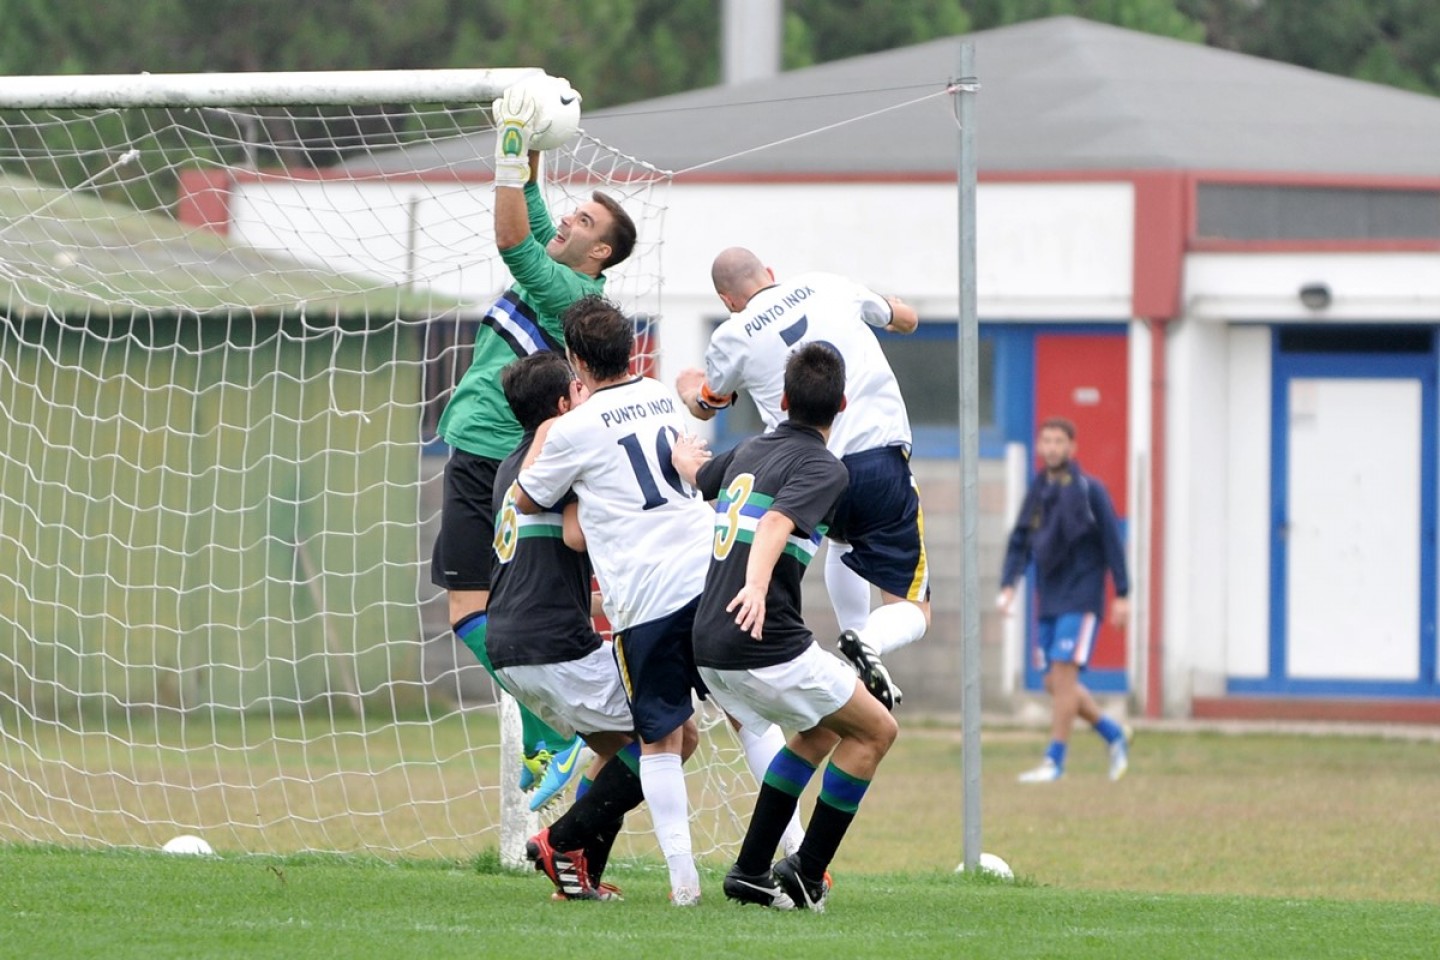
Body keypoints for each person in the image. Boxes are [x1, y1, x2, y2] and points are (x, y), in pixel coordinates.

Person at [428, 80, 637, 798]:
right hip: (511, 454)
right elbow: (537, 210)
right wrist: (534, 135)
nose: (567, 219)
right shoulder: (572, 277)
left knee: (470, 610)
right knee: (512, 612)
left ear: (598, 251)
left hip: (488, 451)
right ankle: (553, 734)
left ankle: (552, 733)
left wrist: (509, 145)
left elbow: (512, 234)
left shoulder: (565, 290)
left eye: (582, 220)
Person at [672, 343, 899, 912]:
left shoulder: (749, 446)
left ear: (781, 400)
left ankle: (750, 871)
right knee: (876, 731)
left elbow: (702, 476)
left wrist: (683, 454)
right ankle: (807, 872)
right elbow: (775, 522)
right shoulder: (826, 467)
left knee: (821, 729)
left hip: (709, 645)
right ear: (842, 404)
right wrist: (754, 585)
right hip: (762, 641)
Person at [512, 295, 715, 905]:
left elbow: (526, 498)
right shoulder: (657, 394)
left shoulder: (573, 428)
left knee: (662, 737)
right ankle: (787, 858)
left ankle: (677, 882)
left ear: (576, 360)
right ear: (632, 348)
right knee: (718, 723)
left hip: (645, 600)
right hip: (707, 571)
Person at [675, 247, 929, 711]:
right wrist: (895, 309)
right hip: (878, 459)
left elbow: (709, 402)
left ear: (727, 300)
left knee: (841, 542)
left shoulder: (732, 334)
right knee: (913, 606)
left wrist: (688, 388)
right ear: (770, 273)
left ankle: (854, 658)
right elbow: (906, 320)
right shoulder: (828, 283)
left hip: (808, 472)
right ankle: (867, 641)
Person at [484, 350, 648, 901]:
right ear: (563, 404)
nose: (588, 395)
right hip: (552, 641)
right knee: (671, 735)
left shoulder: (514, 463)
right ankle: (560, 840)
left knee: (615, 746)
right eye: (580, 389)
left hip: (509, 643)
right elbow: (577, 536)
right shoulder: (562, 450)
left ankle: (580, 878)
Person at [997, 416, 1132, 783]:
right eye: (1047, 441)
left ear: (1072, 447)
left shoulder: (1091, 490)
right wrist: (1009, 585)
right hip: (1051, 596)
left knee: (1064, 676)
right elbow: (1021, 540)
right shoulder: (1039, 490)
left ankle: (1054, 760)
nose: (1053, 447)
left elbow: (1112, 541)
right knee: (1056, 684)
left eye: (1059, 441)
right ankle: (1113, 733)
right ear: (1040, 447)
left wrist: (1122, 594)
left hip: (1083, 594)